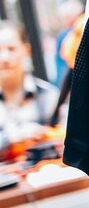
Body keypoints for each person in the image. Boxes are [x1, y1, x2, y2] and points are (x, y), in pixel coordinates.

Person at [0, 21, 59, 155]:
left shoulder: (49, 96)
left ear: (26, 51)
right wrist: (12, 138)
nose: (4, 58)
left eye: (11, 49)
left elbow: (71, 140)